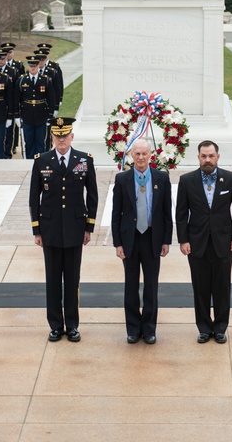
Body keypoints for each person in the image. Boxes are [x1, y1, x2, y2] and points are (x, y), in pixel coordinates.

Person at [29, 117, 98, 342]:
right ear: (52, 137)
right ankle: (56, 325)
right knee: (52, 281)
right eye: (57, 137)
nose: (61, 140)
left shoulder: (84, 160)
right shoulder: (42, 161)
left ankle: (73, 324)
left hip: (75, 229)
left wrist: (89, 226)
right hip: (50, 230)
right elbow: (33, 199)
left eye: (65, 136)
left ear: (72, 136)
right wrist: (36, 231)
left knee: (72, 280)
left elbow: (93, 196)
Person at [176, 139, 232, 344]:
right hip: (196, 242)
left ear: (218, 157)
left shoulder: (231, 179)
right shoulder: (187, 181)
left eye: (211, 156)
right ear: (198, 157)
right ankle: (204, 328)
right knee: (200, 287)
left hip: (223, 242)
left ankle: (221, 327)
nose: (207, 160)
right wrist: (183, 240)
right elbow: (181, 213)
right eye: (204, 156)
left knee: (222, 287)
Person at [111, 139, 172, 345]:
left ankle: (149, 329)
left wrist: (166, 240)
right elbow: (116, 214)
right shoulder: (122, 179)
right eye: (137, 154)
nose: (140, 158)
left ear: (150, 155)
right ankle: (132, 329)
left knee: (151, 286)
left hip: (152, 238)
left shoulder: (162, 179)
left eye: (144, 153)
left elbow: (166, 213)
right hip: (130, 238)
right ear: (131, 156)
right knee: (131, 286)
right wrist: (117, 243)